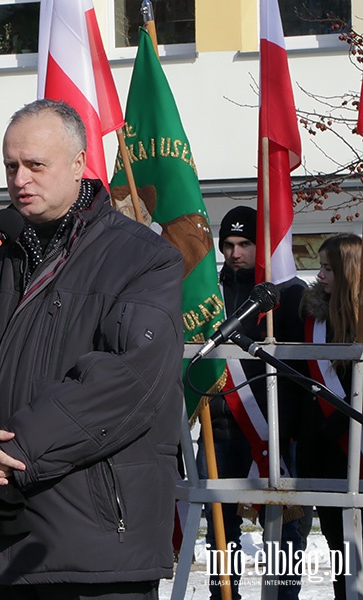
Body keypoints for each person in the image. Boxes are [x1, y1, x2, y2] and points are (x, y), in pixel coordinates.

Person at [0, 99, 184, 599]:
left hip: (93, 548)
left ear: (79, 164)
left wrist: (7, 457)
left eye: (36, 165)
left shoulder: (144, 258)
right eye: (11, 166)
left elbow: (126, 380)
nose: (20, 179)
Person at [198, 206, 307, 600]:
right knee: (218, 527)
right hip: (221, 426)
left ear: (260, 247)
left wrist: (291, 427)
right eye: (227, 244)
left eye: (244, 244)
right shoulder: (207, 290)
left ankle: (284, 596)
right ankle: (220, 594)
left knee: (285, 528)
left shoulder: (290, 293)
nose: (234, 253)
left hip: (275, 429)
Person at [298, 233, 362, 600]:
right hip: (325, 450)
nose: (319, 275)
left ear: (348, 271)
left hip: (354, 441)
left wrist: (338, 421)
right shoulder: (313, 319)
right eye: (320, 267)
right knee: (340, 551)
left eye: (327, 268)